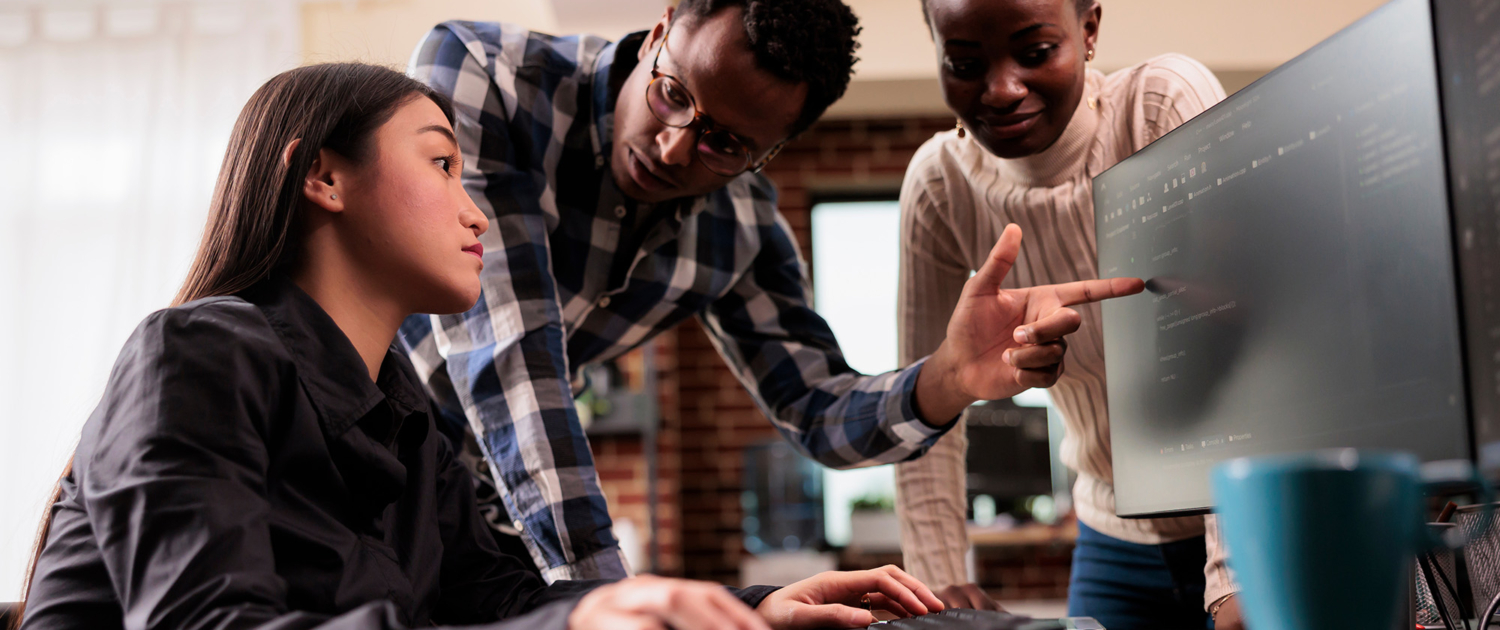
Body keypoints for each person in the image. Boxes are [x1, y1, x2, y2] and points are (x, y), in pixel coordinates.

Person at [13, 62, 950, 630]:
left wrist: (745, 613)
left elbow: (498, 599)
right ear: (324, 178)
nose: (476, 210)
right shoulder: (192, 357)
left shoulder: (407, 415)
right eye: (441, 164)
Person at [399, 0, 1145, 584]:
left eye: (727, 143)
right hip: (334, 454)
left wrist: (946, 380)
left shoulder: (739, 227)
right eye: (672, 93)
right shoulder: (485, 76)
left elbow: (819, 410)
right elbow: (510, 357)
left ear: (770, 152)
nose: (674, 146)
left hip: (477, 528)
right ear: (660, 28)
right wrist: (602, 590)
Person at [892, 0, 1245, 628]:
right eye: (965, 63)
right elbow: (923, 404)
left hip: (1249, 516)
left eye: (1033, 54)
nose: (1000, 90)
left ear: (1088, 30)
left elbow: (1237, 346)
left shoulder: (1158, 106)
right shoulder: (941, 186)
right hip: (1112, 540)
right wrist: (938, 581)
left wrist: (1234, 576)